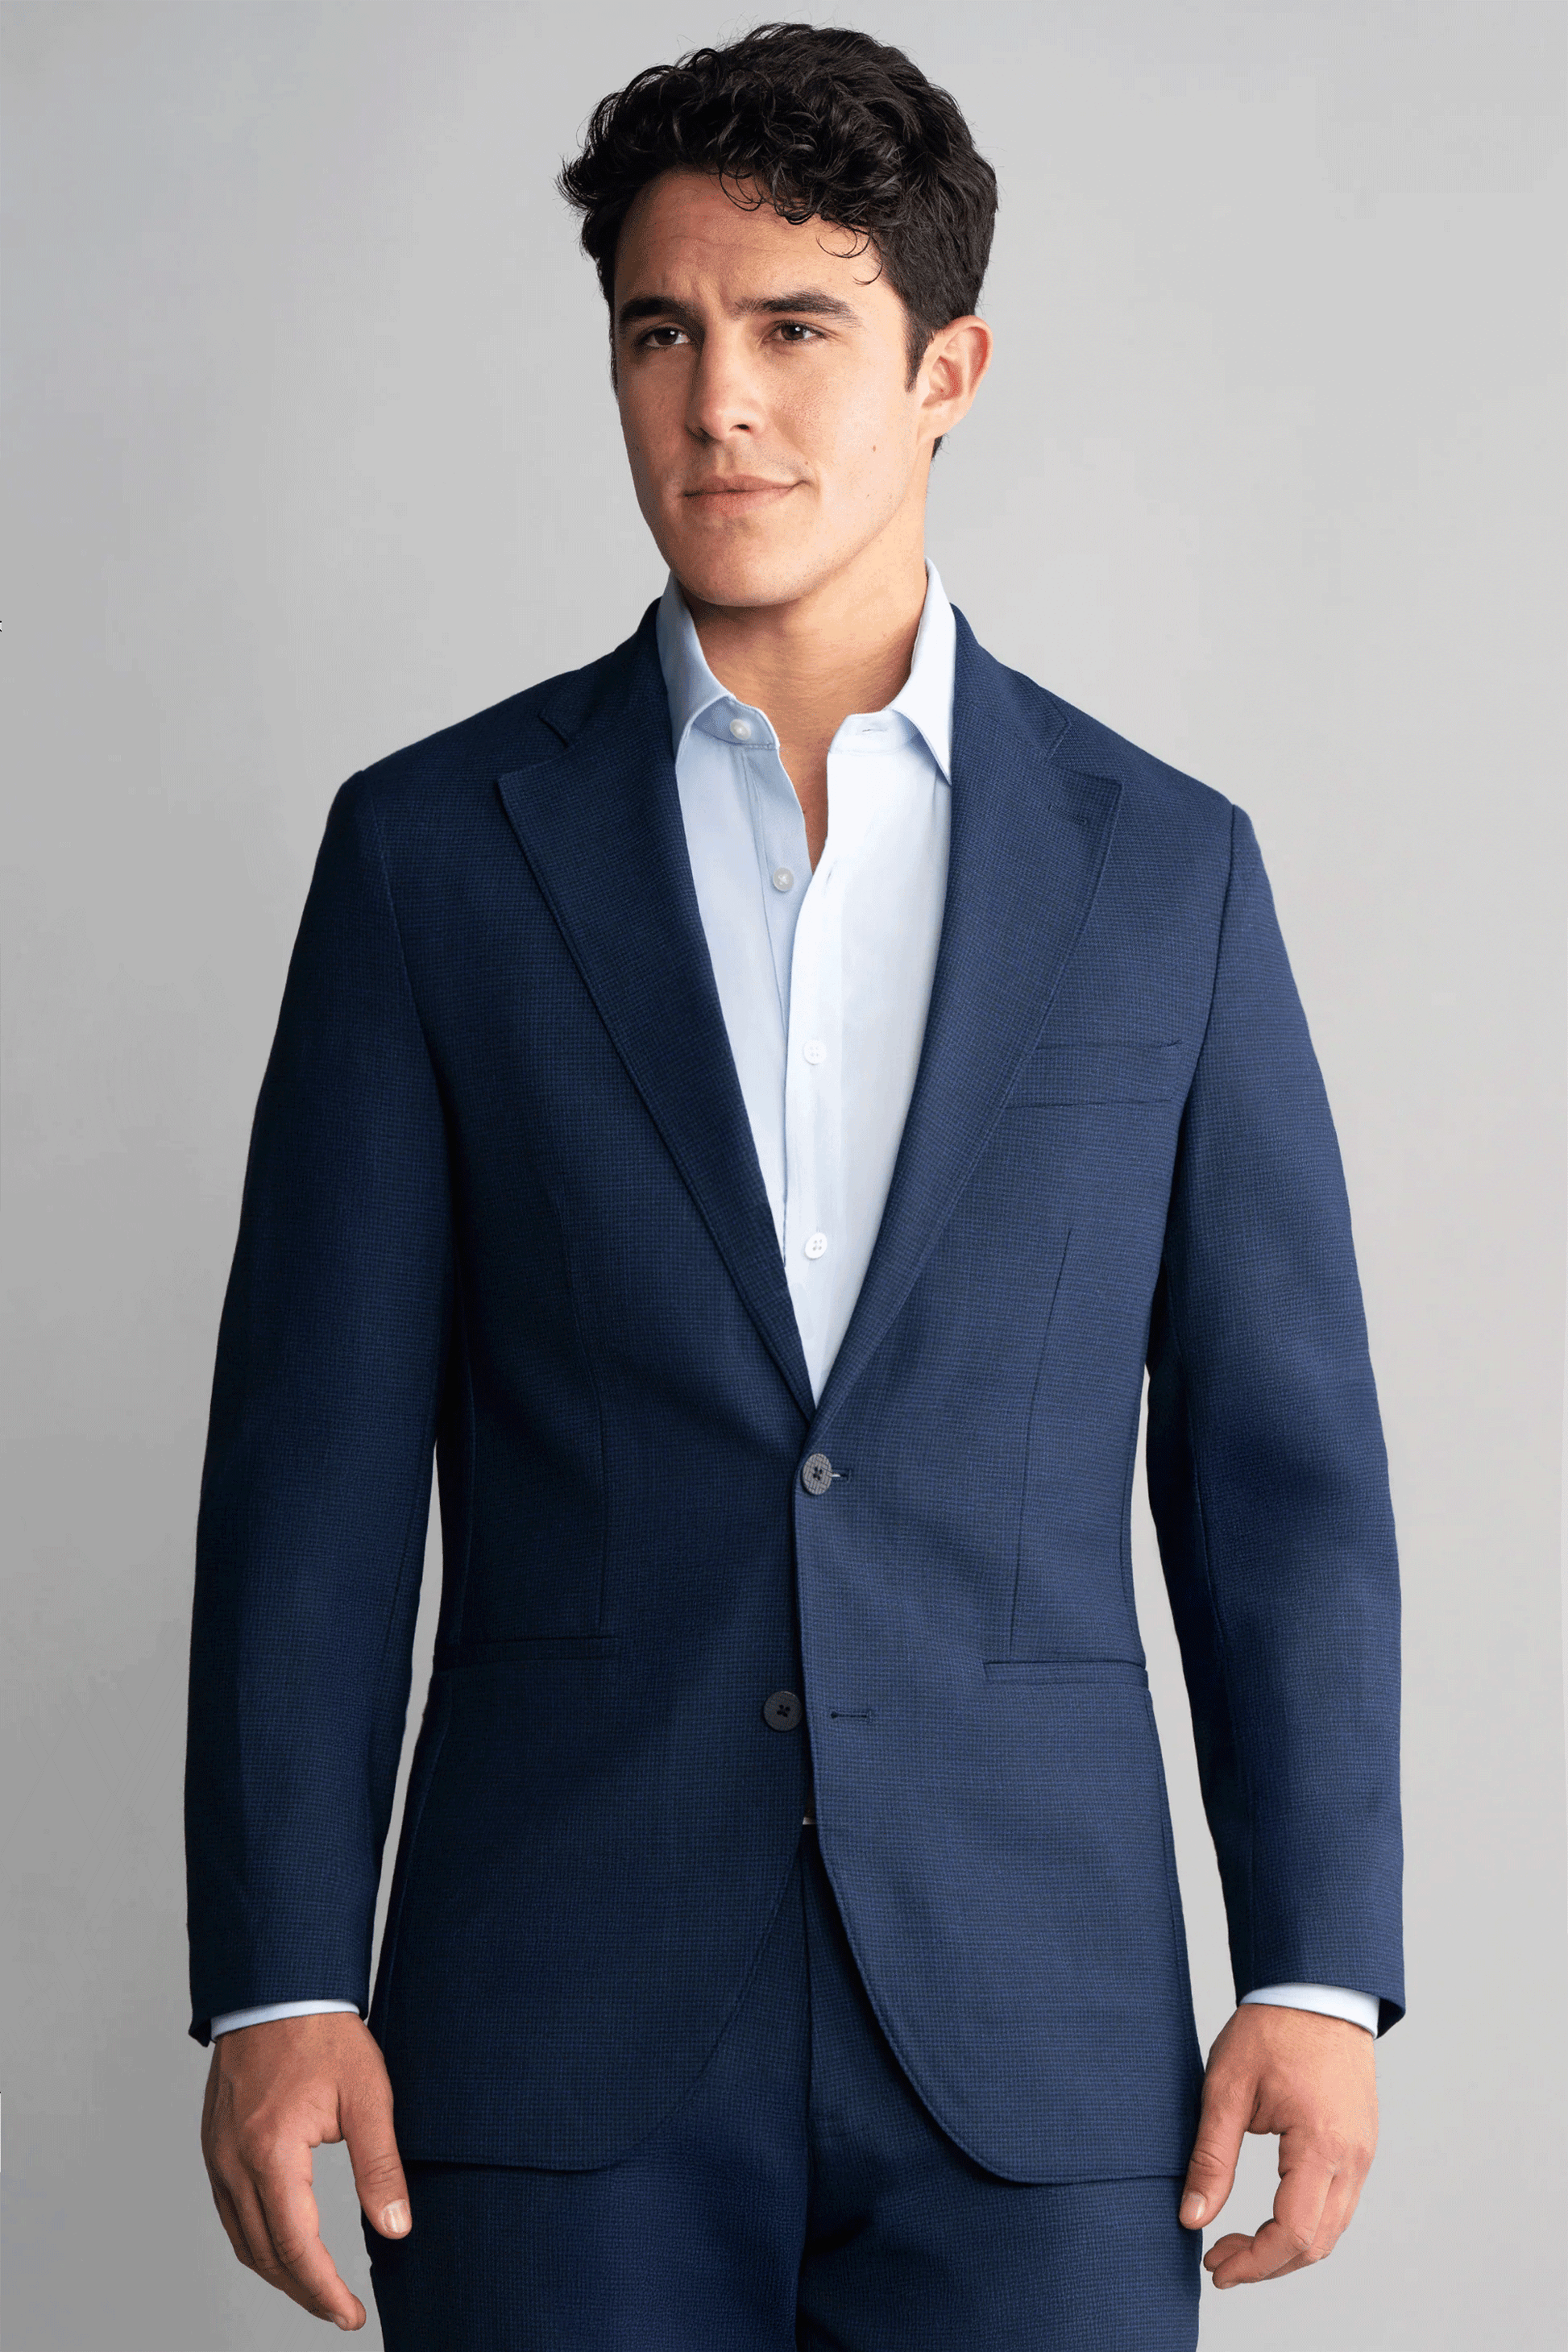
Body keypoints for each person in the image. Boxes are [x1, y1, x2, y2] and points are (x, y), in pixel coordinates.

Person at [186, 23, 1401, 2349]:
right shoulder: (436, 859)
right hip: (547, 2045)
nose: (715, 401)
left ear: (950, 366)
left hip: (1040, 2057)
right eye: (662, 331)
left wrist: (1319, 1958)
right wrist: (275, 1979)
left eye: (794, 326)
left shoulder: (1167, 879)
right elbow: (316, 1468)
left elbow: (1282, 1469)